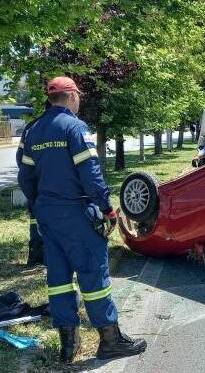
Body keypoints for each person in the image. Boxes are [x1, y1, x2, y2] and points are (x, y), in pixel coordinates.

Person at [17, 76, 146, 363]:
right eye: (79, 96)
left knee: (59, 278)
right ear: (72, 96)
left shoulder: (32, 130)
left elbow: (25, 176)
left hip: (47, 215)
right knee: (93, 275)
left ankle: (68, 346)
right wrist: (107, 208)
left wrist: (39, 206)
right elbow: (90, 172)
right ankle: (110, 341)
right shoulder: (75, 127)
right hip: (77, 212)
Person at [16, 101, 51, 267]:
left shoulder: (31, 127)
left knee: (35, 215)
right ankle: (48, 254)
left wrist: (30, 178)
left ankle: (37, 251)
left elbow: (20, 157)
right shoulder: (60, 125)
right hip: (52, 184)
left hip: (33, 182)